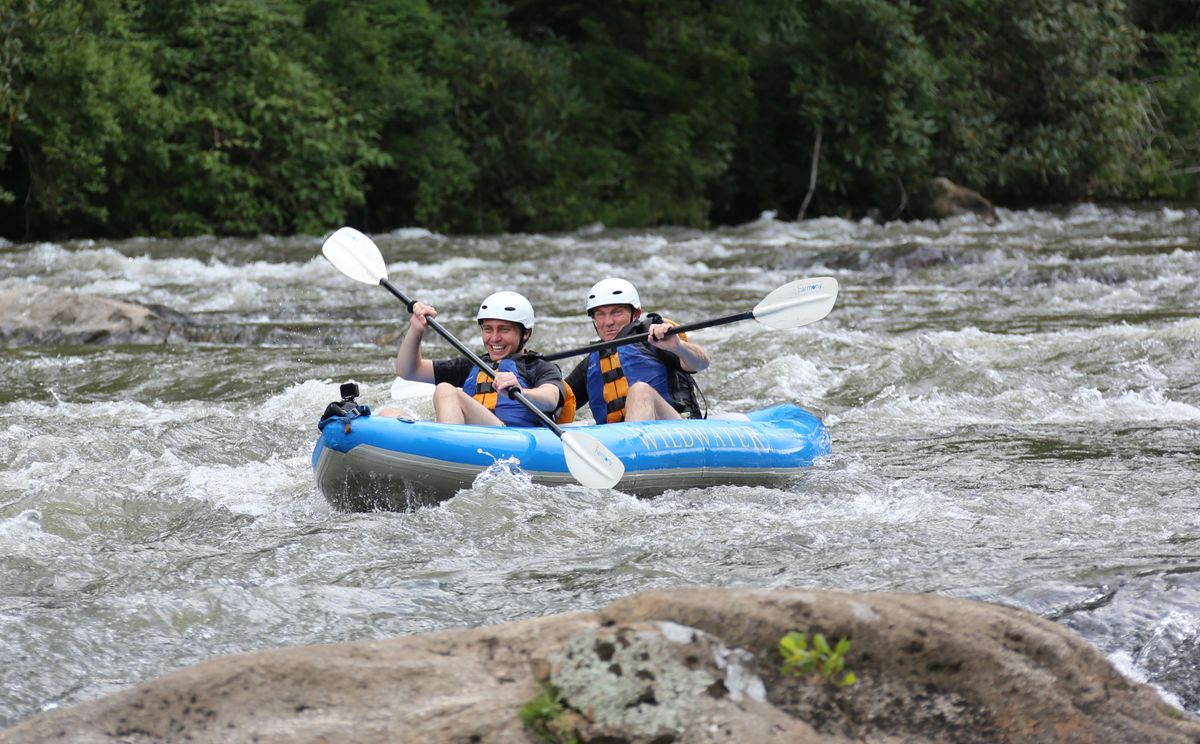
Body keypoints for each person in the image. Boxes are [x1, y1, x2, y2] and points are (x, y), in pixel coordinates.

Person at [381, 291, 566, 426]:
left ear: (526, 334)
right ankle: (444, 449)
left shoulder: (539, 366)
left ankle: (447, 454)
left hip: (511, 439)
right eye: (488, 329)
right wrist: (416, 330)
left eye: (504, 329)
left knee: (446, 389)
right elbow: (408, 370)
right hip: (474, 438)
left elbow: (550, 398)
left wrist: (522, 392)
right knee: (388, 415)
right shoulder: (473, 365)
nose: (494, 338)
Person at [564, 278, 708, 423]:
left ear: (636, 314)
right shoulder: (591, 364)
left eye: (617, 312)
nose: (608, 322)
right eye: (600, 314)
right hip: (620, 439)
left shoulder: (654, 339)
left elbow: (701, 363)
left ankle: (632, 444)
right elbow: (559, 403)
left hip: (676, 429)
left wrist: (678, 346)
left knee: (640, 391)